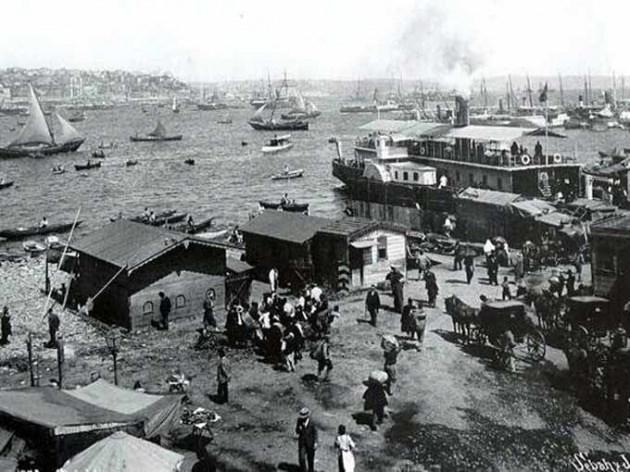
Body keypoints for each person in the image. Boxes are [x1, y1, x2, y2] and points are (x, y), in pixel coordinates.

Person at [295, 407, 318, 472]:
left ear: (307, 415)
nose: (303, 418)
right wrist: (299, 429)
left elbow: (315, 432)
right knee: (301, 458)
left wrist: (316, 442)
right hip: (302, 443)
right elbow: (297, 431)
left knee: (310, 460)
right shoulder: (299, 421)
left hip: (310, 443)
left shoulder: (312, 422)